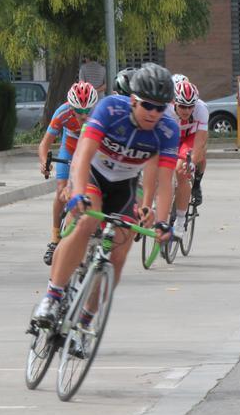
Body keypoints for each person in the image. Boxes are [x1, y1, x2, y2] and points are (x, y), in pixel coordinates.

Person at [32, 63, 179, 325]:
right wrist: (77, 192)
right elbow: (82, 155)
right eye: (147, 105)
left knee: (119, 254)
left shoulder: (168, 130)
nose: (153, 113)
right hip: (94, 174)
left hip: (124, 185)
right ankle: (53, 296)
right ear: (133, 100)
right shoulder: (110, 109)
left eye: (160, 108)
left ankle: (86, 320)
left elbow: (164, 181)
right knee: (87, 220)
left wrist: (161, 220)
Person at [38, 81, 99, 265]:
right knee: (61, 191)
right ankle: (55, 237)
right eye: (79, 111)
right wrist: (44, 163)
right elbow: (44, 144)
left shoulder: (99, 114)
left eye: (87, 110)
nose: (84, 115)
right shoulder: (62, 112)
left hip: (90, 148)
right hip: (70, 148)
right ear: (71, 107)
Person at [170, 80, 209, 237]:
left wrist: (192, 162)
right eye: (182, 106)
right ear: (174, 102)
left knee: (181, 170)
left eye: (190, 106)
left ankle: (180, 221)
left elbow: (200, 141)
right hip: (173, 136)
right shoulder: (165, 109)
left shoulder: (201, 109)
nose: (186, 110)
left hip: (191, 137)